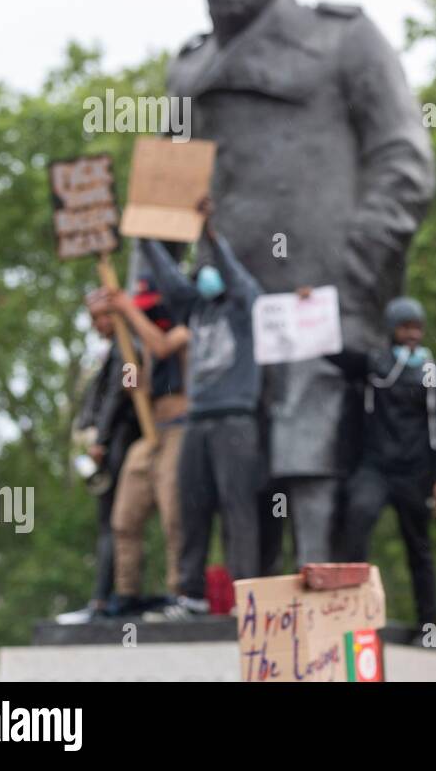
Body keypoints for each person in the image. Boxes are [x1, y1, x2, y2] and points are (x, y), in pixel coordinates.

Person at [166, 0, 436, 568]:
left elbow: (404, 160)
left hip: (319, 297)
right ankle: (242, 617)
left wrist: (357, 268)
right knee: (234, 467)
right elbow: (165, 195)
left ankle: (322, 616)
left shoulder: (343, 37)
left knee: (312, 461)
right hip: (225, 316)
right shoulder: (187, 70)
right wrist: (155, 301)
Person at [134, 198, 266, 620]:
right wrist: (144, 236)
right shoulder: (196, 309)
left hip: (235, 421)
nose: (205, 278)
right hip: (197, 421)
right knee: (192, 507)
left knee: (237, 508)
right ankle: (191, 596)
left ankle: (244, 594)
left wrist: (210, 233)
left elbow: (234, 275)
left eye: (211, 273)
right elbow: (170, 280)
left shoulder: (246, 307)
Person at [326, 296, 436, 635]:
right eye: (405, 327)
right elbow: (335, 353)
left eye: (417, 328)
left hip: (415, 473)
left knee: (419, 548)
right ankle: (351, 614)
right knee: (357, 520)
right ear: (392, 330)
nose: (412, 334)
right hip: (375, 467)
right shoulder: (375, 365)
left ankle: (429, 626)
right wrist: (311, 314)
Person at [103, 277, 189, 616]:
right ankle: (127, 592)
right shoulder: (146, 345)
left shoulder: (183, 333)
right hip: (151, 433)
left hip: (182, 430)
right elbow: (134, 387)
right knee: (124, 518)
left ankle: (180, 591)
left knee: (174, 515)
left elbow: (164, 346)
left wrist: (126, 310)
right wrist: (129, 369)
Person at [55, 289, 142, 624]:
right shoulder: (109, 350)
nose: (96, 325)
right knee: (108, 524)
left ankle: (104, 600)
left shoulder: (126, 344)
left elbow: (119, 395)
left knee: (113, 524)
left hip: (117, 443)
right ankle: (104, 598)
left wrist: (101, 440)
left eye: (99, 317)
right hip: (108, 442)